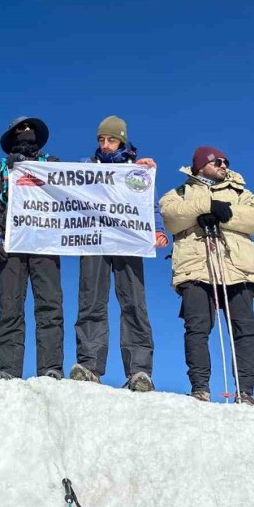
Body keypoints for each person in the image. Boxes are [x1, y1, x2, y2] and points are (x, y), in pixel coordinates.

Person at [159, 146, 254, 405]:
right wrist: (205, 206)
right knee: (196, 328)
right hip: (195, 267)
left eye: (226, 161)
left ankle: (246, 392)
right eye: (217, 161)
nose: (224, 165)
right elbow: (170, 216)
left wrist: (218, 214)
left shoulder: (241, 191)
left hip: (238, 268)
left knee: (244, 330)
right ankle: (200, 389)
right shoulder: (179, 193)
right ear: (199, 166)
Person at [70, 116, 167, 392]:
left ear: (121, 141)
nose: (106, 144)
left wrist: (157, 230)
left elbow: (151, 205)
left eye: (111, 139)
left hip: (129, 240)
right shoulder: (87, 167)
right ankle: (89, 364)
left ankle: (139, 370)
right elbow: (64, 189)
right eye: (101, 140)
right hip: (94, 241)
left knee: (134, 302)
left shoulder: (136, 172)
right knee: (91, 300)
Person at [0, 116, 64, 382]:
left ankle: (51, 367)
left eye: (30, 128)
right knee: (9, 306)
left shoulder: (52, 164)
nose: (26, 132)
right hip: (13, 241)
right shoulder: (1, 168)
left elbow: (71, 194)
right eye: (21, 129)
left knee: (50, 304)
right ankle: (7, 368)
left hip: (45, 241)